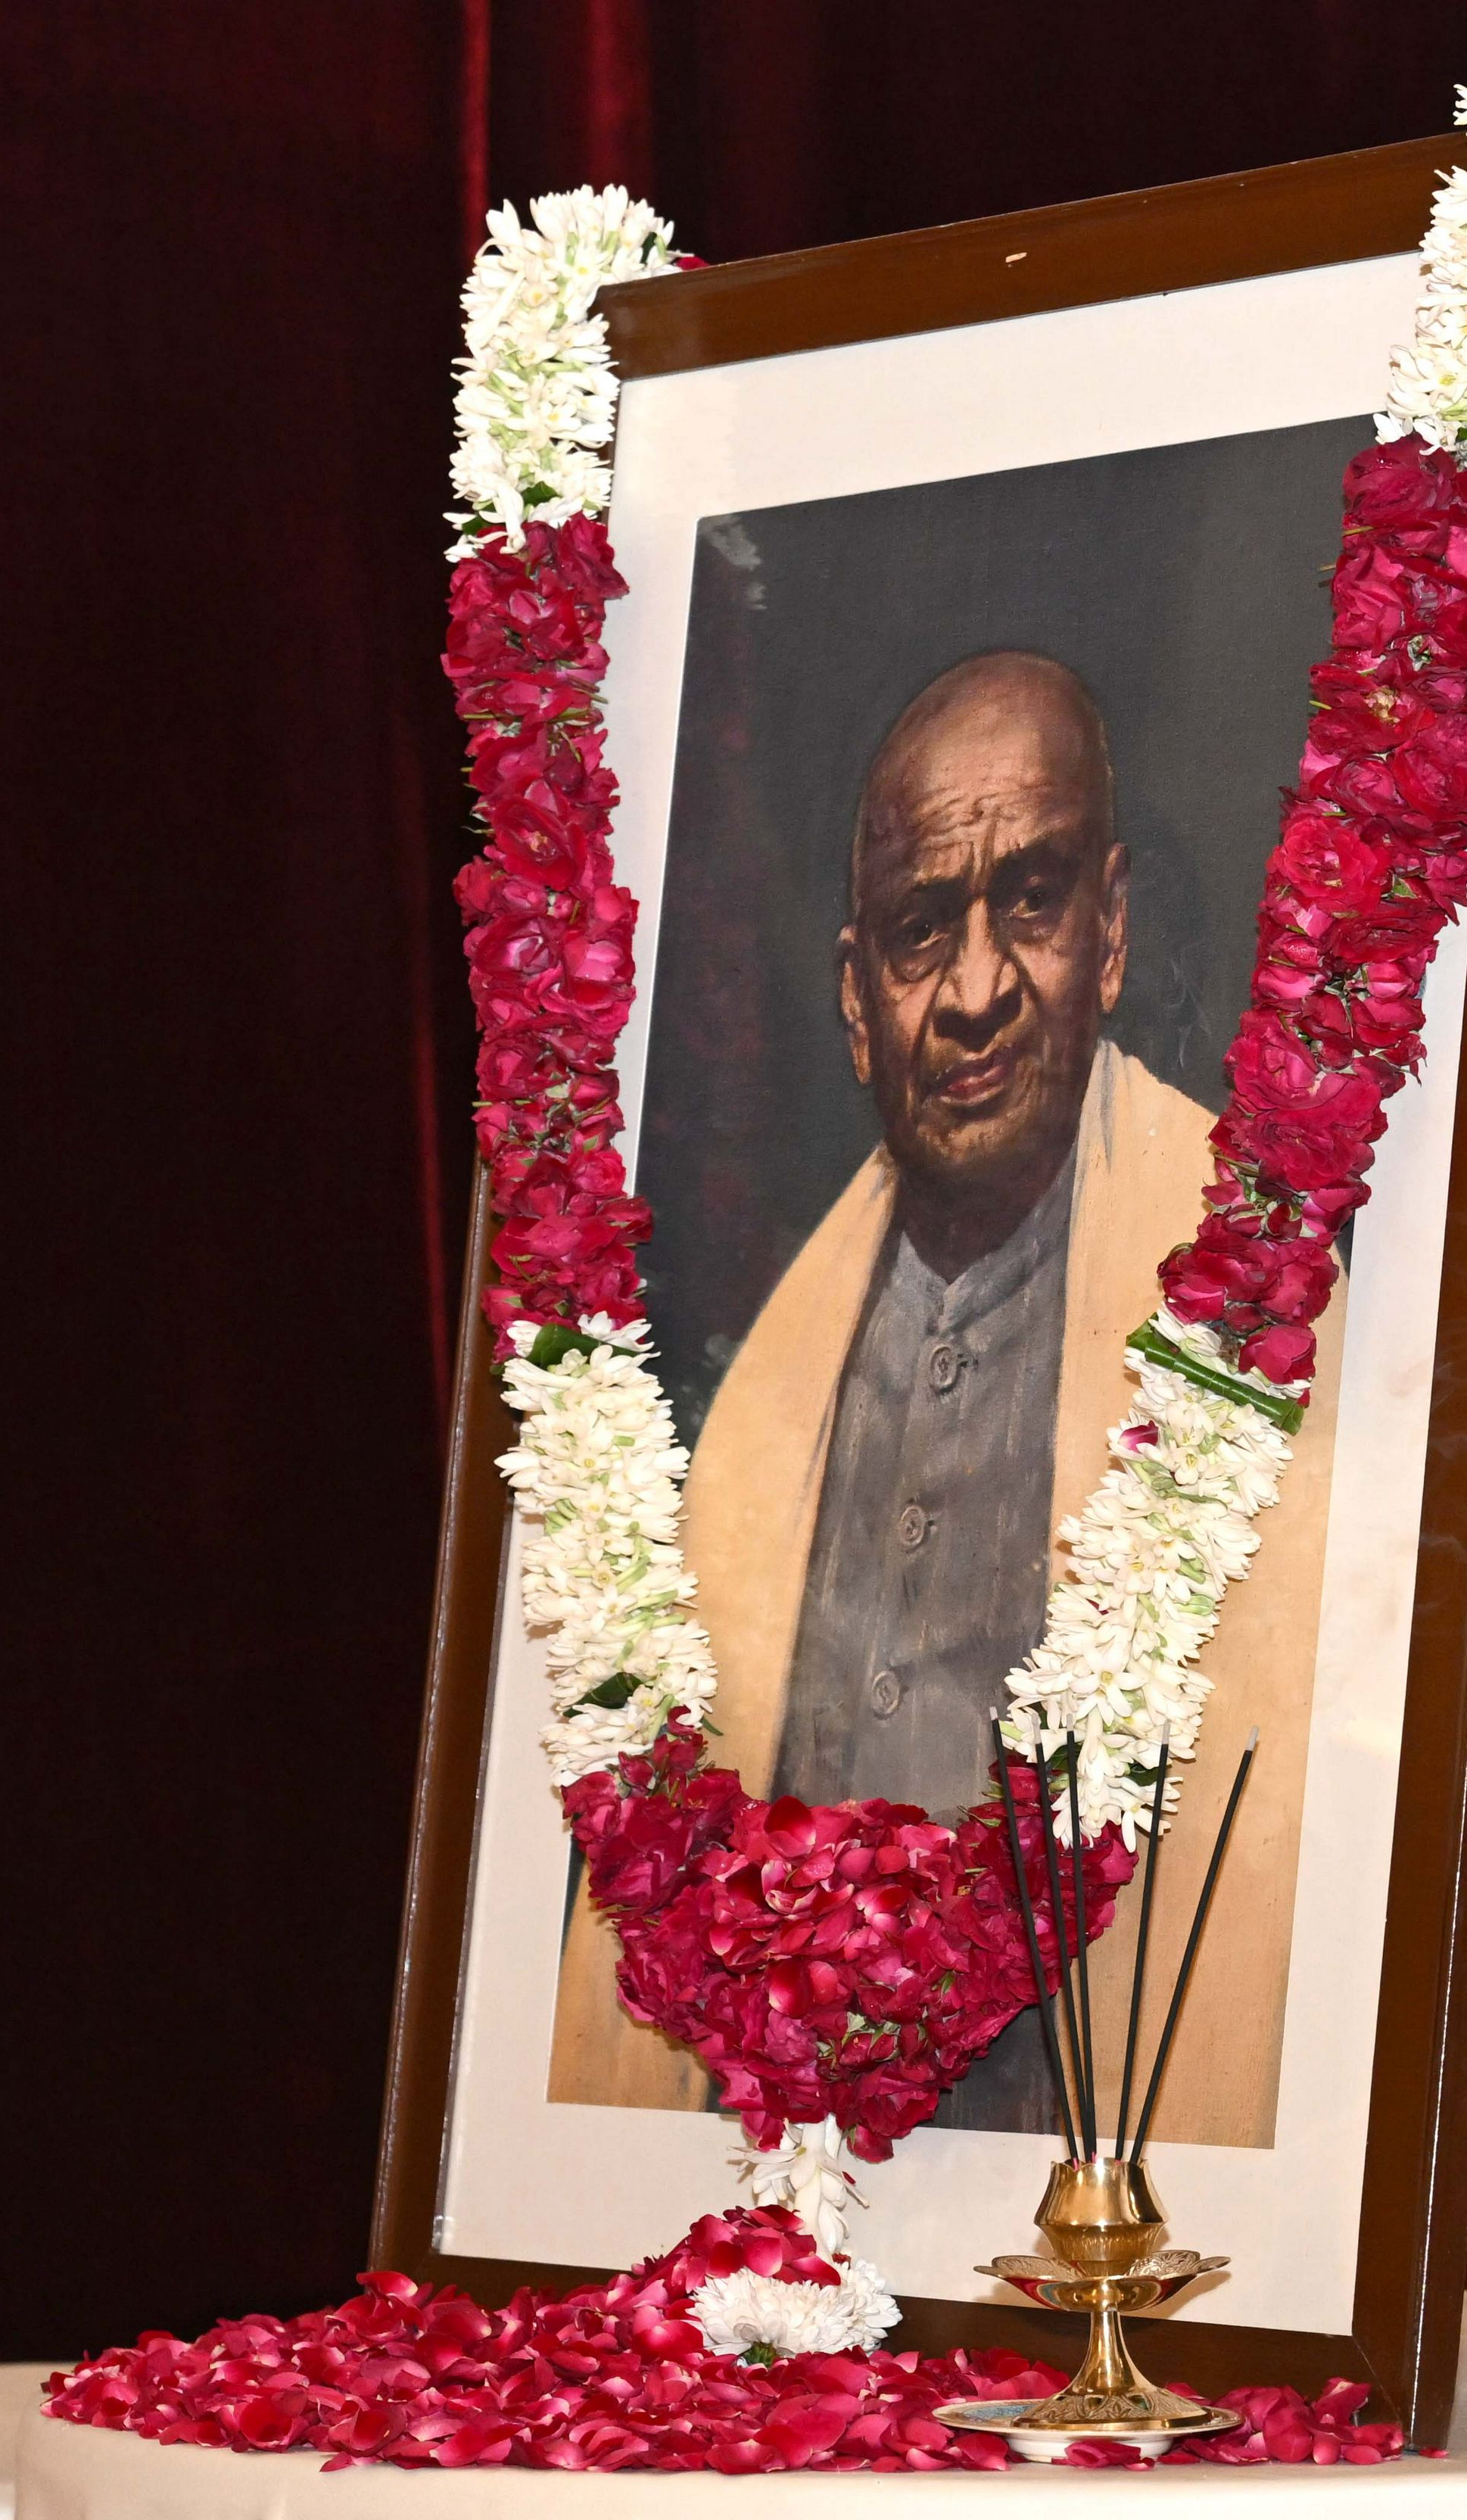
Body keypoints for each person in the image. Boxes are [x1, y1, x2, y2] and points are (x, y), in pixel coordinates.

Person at [548, 650, 1333, 2144]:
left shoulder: (1253, 1318)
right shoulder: (761, 1406)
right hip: (779, 2172)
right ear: (857, 1002)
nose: (974, 992)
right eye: (922, 932)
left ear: (1109, 933)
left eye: (1028, 901)